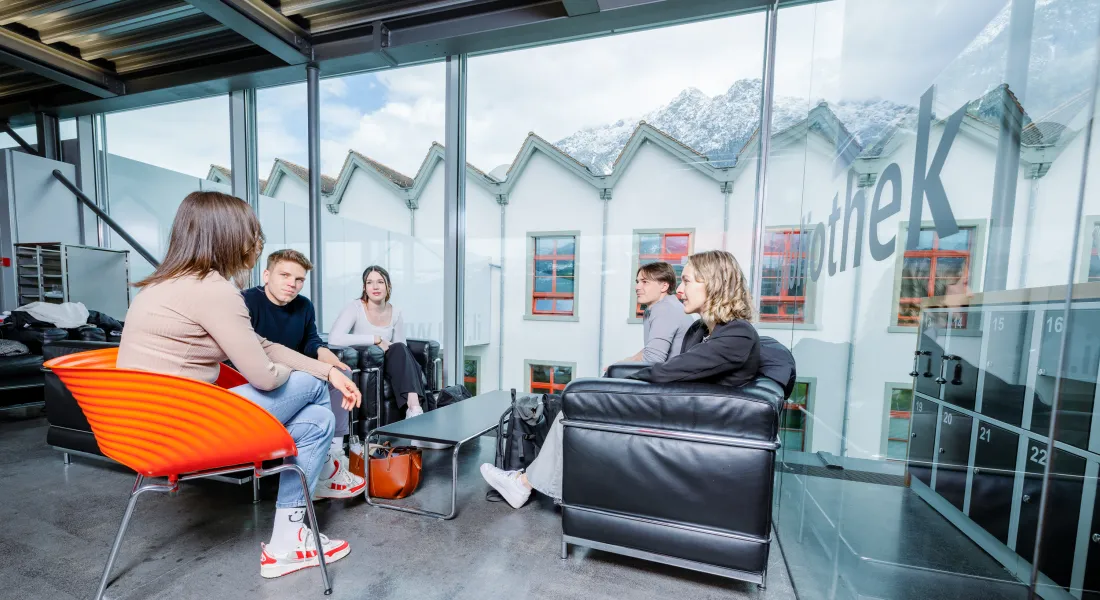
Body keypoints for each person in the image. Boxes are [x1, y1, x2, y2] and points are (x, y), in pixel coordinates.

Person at [116, 191, 361, 579]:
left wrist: (326, 370)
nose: (254, 243)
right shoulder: (214, 290)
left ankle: (289, 540)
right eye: (251, 233)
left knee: (317, 421)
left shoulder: (167, 283)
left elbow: (261, 344)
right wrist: (316, 375)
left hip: (145, 429)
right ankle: (308, 508)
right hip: (184, 433)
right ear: (227, 235)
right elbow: (263, 373)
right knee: (314, 394)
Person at [480, 249, 760, 509]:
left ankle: (525, 484)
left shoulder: (737, 334)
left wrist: (617, 377)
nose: (680, 289)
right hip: (681, 409)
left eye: (686, 281)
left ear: (713, 283)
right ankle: (531, 483)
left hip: (679, 415)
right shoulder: (706, 330)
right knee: (576, 404)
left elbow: (668, 369)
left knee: (577, 401)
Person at [242, 249, 365, 499]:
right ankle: (325, 466)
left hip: (294, 373)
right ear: (267, 275)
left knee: (342, 376)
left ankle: (333, 454)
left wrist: (329, 359)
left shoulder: (304, 305)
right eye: (285, 275)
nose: (292, 284)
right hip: (257, 380)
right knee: (316, 380)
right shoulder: (246, 302)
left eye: (299, 279)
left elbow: (311, 341)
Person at [328, 265, 427, 417]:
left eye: (380, 282)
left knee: (400, 348)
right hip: (369, 363)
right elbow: (334, 338)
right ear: (364, 287)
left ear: (388, 286)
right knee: (408, 359)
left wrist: (388, 346)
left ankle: (414, 407)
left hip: (391, 361)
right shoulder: (355, 307)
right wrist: (375, 340)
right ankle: (416, 409)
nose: (375, 286)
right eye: (369, 282)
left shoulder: (396, 312)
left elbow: (402, 346)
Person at [614, 261, 694, 365]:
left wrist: (619, 370)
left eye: (645, 282)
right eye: (637, 282)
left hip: (670, 378)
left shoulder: (665, 309)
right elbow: (651, 349)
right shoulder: (660, 307)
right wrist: (624, 362)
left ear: (664, 286)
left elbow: (653, 359)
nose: (637, 287)